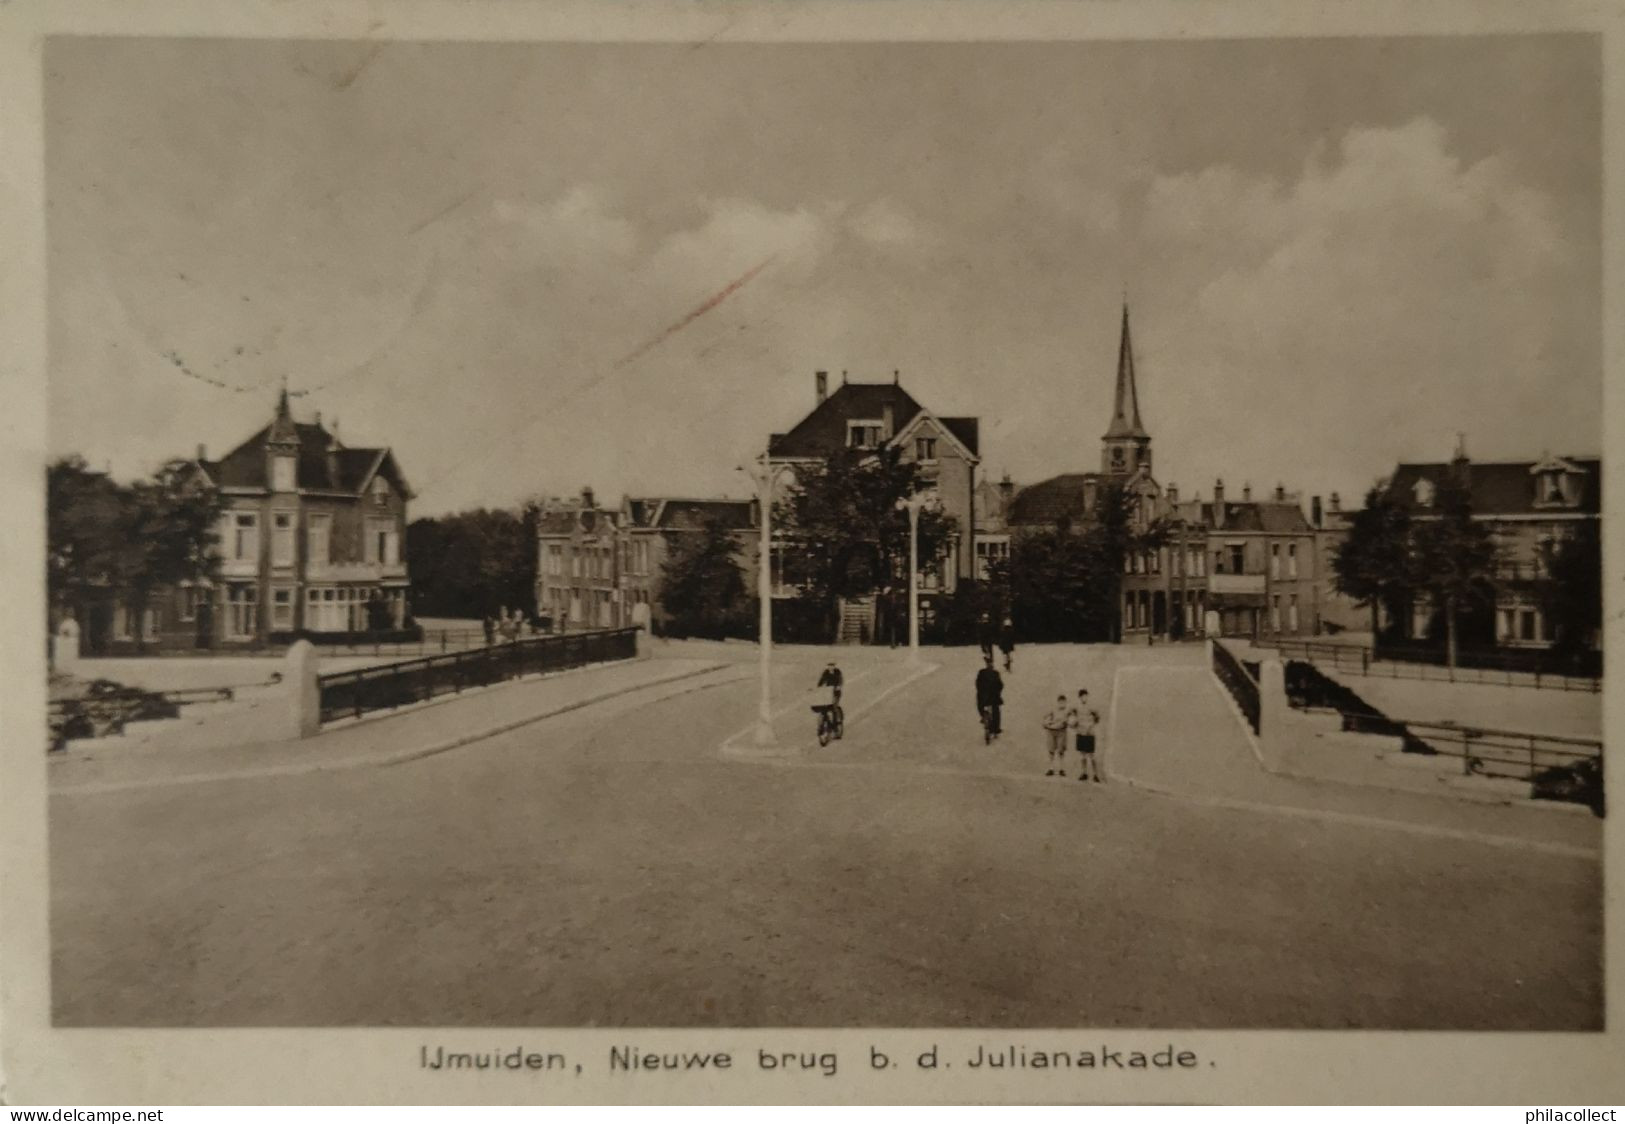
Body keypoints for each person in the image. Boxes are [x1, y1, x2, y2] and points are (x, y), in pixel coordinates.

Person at [1074, 688, 1104, 783]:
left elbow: (1098, 716)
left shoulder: (1092, 707)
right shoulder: (1077, 707)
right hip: (1080, 733)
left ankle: (1096, 775)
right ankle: (1084, 773)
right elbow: (1072, 717)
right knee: (1082, 755)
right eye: (1082, 696)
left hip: (1089, 734)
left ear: (1087, 697)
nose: (1084, 698)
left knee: (1091, 755)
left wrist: (1092, 725)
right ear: (1079, 698)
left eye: (1086, 696)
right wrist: (1074, 724)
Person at [974, 656, 1003, 740]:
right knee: (996, 711)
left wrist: (981, 691)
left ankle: (983, 715)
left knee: (980, 705)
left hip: (983, 697)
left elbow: (977, 684)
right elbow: (1000, 685)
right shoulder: (996, 673)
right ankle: (996, 729)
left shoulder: (981, 672)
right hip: (993, 696)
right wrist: (998, 692)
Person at [1042, 694, 1071, 777]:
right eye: (1060, 702)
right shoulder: (1053, 710)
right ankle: (1051, 768)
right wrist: (1047, 723)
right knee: (1051, 751)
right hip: (1051, 732)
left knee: (1061, 751)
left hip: (1061, 732)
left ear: (1065, 703)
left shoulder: (1067, 711)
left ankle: (1061, 769)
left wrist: (1068, 722)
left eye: (1064, 702)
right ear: (1058, 702)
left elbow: (1071, 721)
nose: (1062, 704)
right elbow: (1045, 718)